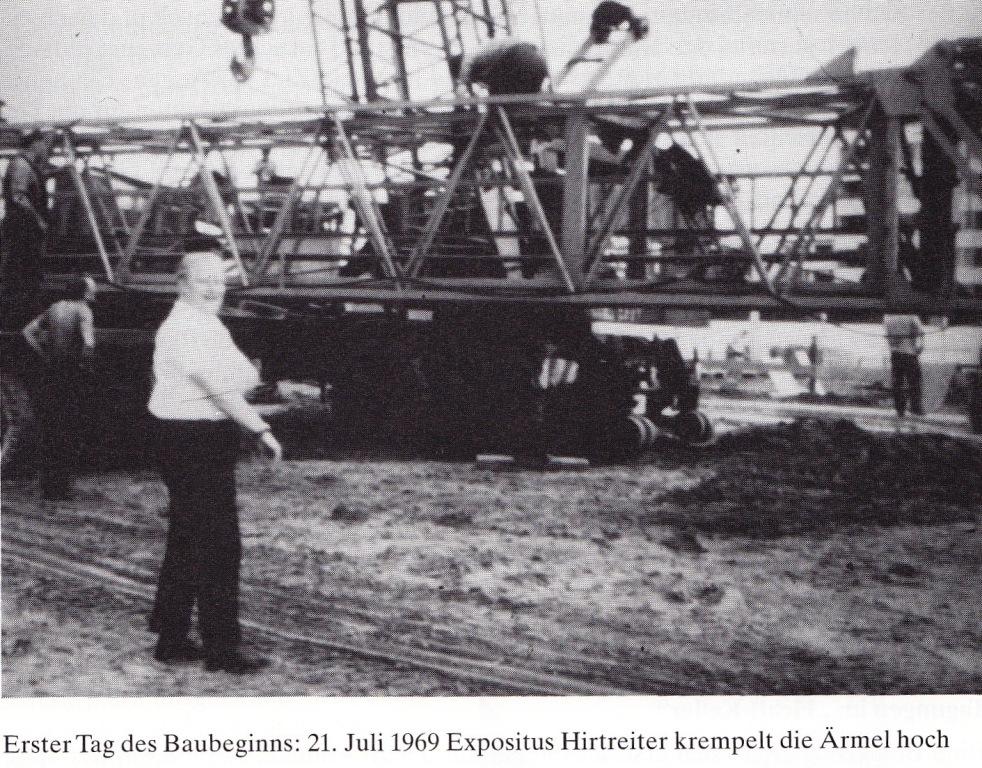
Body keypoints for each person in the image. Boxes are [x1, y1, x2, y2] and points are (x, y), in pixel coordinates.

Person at [147, 251, 282, 673]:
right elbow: (224, 389)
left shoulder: (208, 324)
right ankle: (222, 650)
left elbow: (248, 376)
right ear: (181, 283)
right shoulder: (183, 328)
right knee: (220, 544)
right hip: (189, 439)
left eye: (219, 280)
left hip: (204, 437)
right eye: (203, 279)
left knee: (187, 537)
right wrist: (259, 428)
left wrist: (231, 384)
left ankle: (171, 638)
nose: (213, 288)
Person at [21, 275, 97, 498]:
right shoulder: (83, 310)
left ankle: (48, 486)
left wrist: (44, 353)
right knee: (68, 429)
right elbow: (89, 343)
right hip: (71, 374)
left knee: (50, 428)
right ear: (83, 292)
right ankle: (62, 487)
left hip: (51, 372)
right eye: (91, 289)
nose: (94, 293)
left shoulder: (54, 308)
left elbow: (28, 332)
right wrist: (87, 367)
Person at [2, 130, 53, 326]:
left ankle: (24, 318)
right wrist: (38, 220)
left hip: (27, 229)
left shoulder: (28, 165)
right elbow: (19, 197)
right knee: (19, 272)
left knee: (29, 272)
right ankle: (15, 321)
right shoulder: (21, 165)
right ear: (35, 144)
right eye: (45, 145)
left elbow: (32, 183)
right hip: (21, 228)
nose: (46, 150)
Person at [451, 38, 550, 97]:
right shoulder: (488, 59)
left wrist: (462, 83)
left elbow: (467, 61)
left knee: (495, 95)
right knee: (522, 98)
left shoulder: (470, 56)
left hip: (519, 55)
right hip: (540, 62)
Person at [884, 313, 925, 417]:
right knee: (914, 382)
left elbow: (890, 339)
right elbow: (920, 332)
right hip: (909, 354)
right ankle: (915, 408)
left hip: (895, 354)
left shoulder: (888, 317)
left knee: (897, 383)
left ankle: (900, 410)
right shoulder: (912, 316)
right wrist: (920, 346)